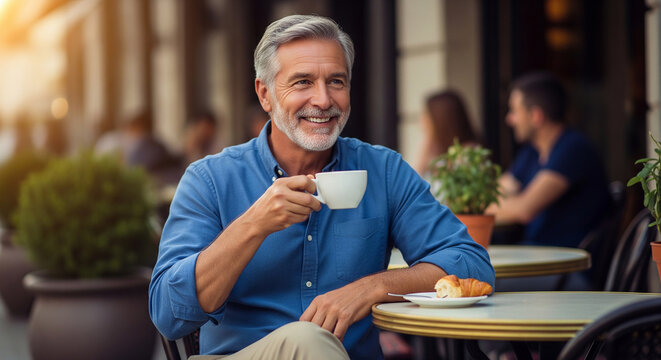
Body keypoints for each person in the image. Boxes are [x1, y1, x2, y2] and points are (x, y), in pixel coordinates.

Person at [149, 15, 494, 360]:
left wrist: (373, 287)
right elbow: (169, 314)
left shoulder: (384, 171)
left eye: (336, 82)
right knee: (307, 341)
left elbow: (471, 264)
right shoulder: (209, 179)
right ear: (265, 94)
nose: (323, 99)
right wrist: (253, 225)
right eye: (302, 82)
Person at [486, 72, 611, 248]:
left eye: (514, 111)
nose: (509, 119)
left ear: (536, 116)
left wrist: (480, 209)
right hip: (536, 255)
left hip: (569, 265)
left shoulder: (573, 149)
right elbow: (499, 190)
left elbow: (524, 210)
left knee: (478, 272)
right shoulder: (531, 152)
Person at [414, 89, 479, 176]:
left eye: (427, 114)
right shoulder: (435, 149)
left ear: (441, 120)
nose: (422, 120)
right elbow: (410, 183)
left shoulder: (468, 153)